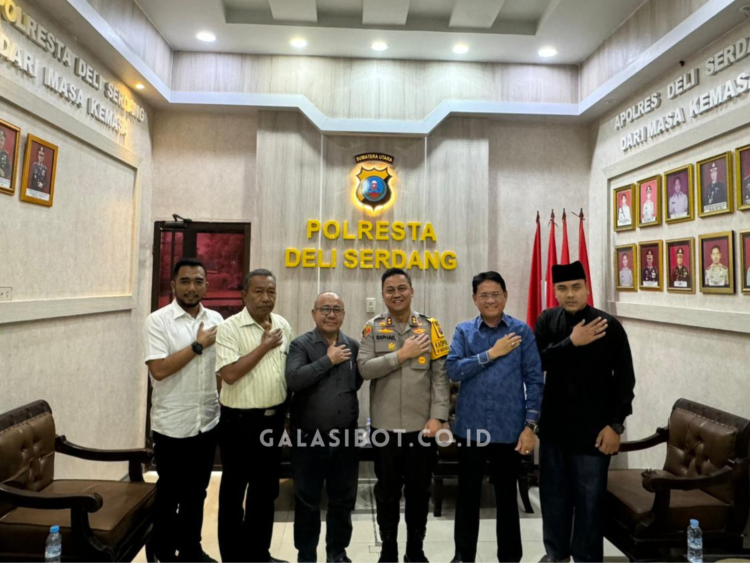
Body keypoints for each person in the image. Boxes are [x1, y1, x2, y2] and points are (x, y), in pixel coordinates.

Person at [535, 262, 635, 563]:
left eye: (576, 287)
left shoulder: (608, 326)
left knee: (590, 502)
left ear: (587, 289)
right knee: (554, 498)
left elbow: (625, 380)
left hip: (594, 431)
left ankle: (587, 559)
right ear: (554, 292)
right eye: (563, 288)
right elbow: (536, 363)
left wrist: (615, 426)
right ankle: (556, 555)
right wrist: (571, 343)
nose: (570, 294)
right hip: (554, 428)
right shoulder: (547, 321)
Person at [446, 271, 543, 563]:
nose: (490, 300)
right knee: (467, 496)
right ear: (475, 299)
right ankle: (463, 556)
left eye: (495, 294)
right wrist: (491, 353)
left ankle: (510, 558)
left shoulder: (521, 332)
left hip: (509, 429)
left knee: (506, 498)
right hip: (471, 428)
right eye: (484, 295)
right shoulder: (464, 331)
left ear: (505, 296)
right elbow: (453, 369)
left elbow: (534, 381)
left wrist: (530, 426)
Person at [358, 268, 450, 563]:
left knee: (419, 492)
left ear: (412, 291)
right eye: (390, 290)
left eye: (401, 288)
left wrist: (438, 416)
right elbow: (364, 369)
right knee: (386, 491)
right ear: (382, 295)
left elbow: (440, 376)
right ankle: (388, 549)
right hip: (384, 428)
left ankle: (415, 549)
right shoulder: (372, 328)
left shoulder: (431, 327)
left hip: (421, 427)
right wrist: (401, 354)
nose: (396, 294)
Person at [143, 258, 223, 562]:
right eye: (185, 281)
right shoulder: (158, 321)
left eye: (198, 281)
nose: (192, 287)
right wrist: (196, 346)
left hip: (206, 421)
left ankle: (191, 550)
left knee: (197, 492)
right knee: (170, 492)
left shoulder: (216, 319)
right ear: (173, 285)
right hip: (172, 425)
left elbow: (218, 369)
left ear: (207, 285)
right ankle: (162, 551)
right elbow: (159, 370)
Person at [215, 269, 293, 563]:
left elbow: (286, 373)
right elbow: (229, 374)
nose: (265, 297)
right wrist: (264, 346)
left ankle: (260, 554)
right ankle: (233, 558)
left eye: (271, 291)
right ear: (244, 295)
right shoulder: (230, 328)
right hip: (239, 422)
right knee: (234, 493)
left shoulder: (283, 325)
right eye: (258, 291)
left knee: (265, 492)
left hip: (273, 421)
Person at [285, 292, 362, 563]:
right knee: (307, 502)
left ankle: (337, 553)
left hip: (346, 438)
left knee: (342, 500)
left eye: (337, 310)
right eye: (325, 309)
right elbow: (294, 380)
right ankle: (306, 556)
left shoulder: (353, 346)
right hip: (309, 438)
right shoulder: (301, 345)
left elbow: (356, 383)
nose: (331, 314)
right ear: (314, 313)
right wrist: (328, 360)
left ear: (344, 315)